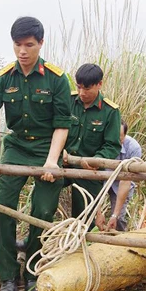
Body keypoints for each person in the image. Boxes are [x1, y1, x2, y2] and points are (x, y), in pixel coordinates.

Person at [0, 16, 71, 291]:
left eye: (29, 45)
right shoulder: (3, 78)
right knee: (4, 208)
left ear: (40, 43)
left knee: (42, 211)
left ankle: (32, 271)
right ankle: (7, 275)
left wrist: (52, 161)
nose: (22, 51)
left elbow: (62, 124)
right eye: (17, 45)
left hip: (47, 148)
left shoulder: (57, 79)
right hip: (16, 147)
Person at [63, 63, 121, 228]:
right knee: (44, 201)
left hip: (89, 171)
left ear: (100, 84)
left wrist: (97, 159)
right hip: (63, 163)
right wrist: (60, 152)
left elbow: (112, 145)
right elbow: (54, 129)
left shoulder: (110, 111)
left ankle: (79, 248)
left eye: (87, 88)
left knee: (84, 219)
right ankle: (36, 244)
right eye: (79, 87)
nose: (82, 93)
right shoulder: (68, 101)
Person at [95, 119, 142, 231]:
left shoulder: (133, 149)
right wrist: (98, 212)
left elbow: (126, 181)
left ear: (125, 135)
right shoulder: (98, 143)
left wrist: (114, 215)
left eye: (119, 138)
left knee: (119, 218)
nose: (115, 142)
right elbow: (93, 179)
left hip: (121, 184)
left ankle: (119, 241)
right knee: (90, 213)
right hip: (100, 180)